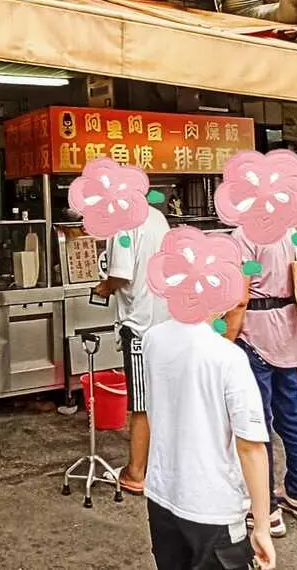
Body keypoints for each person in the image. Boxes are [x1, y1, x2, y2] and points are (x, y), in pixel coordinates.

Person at [143, 315, 275, 570]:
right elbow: (251, 448)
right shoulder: (228, 357)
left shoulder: (153, 339)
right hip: (215, 507)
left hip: (161, 495)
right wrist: (262, 527)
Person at [228, 226, 297, 538]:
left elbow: (240, 297)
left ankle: (265, 509)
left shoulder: (246, 236)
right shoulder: (292, 233)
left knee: (257, 423)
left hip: (256, 334)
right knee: (292, 417)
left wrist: (227, 339)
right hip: (289, 336)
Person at [94, 205, 170, 495]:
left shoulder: (122, 224)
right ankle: (159, 465)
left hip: (140, 326)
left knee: (141, 403)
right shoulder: (157, 217)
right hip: (166, 321)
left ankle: (136, 473)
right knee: (159, 399)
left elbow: (121, 274)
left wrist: (105, 287)